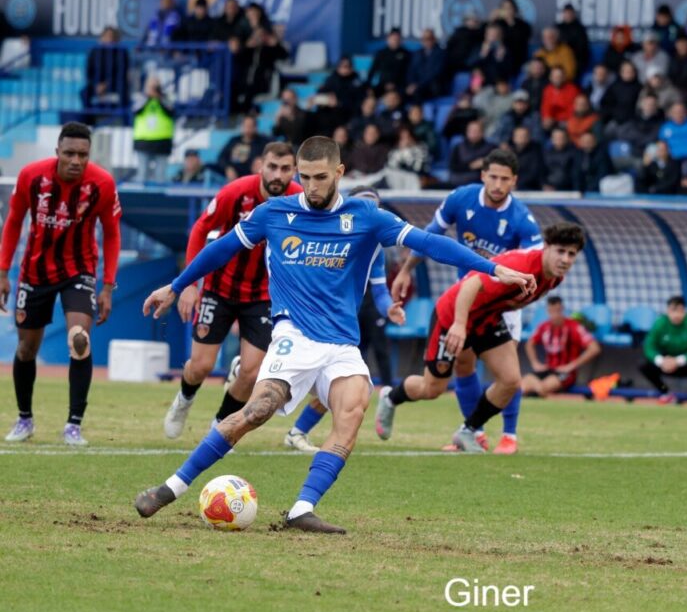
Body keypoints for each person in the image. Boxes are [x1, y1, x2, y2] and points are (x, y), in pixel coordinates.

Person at [133, 136, 535, 533]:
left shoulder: (367, 217)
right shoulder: (274, 213)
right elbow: (221, 249)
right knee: (256, 412)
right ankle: (170, 488)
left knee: (353, 410)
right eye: (304, 177)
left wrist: (493, 269)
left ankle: (301, 509)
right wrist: (176, 285)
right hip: (294, 337)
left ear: (339, 173)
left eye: (320, 177)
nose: (310, 187)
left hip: (342, 345)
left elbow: (429, 242)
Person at [376, 223, 584, 453]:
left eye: (571, 254)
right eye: (560, 251)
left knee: (511, 380)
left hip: (487, 319)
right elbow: (471, 284)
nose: (565, 259)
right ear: (546, 247)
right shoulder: (522, 265)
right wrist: (459, 324)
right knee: (432, 388)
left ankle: (468, 431)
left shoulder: (555, 277)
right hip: (452, 314)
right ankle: (390, 397)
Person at [390, 149, 543, 454]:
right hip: (467, 295)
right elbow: (430, 236)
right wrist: (406, 271)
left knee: (507, 369)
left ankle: (509, 436)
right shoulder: (461, 199)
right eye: (493, 177)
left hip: (502, 301)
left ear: (514, 181)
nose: (498, 184)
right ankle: (474, 432)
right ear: (483, 176)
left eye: (505, 179)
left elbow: (536, 262)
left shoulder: (522, 220)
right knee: (463, 364)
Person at [162, 143, 303, 440]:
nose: (278, 174)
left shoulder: (298, 201)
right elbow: (201, 229)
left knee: (252, 373)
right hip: (219, 289)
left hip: (263, 296)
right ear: (260, 166)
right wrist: (189, 284)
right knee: (200, 366)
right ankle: (184, 400)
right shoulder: (235, 192)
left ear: (294, 171)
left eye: (285, 169)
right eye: (272, 167)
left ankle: (218, 428)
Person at [0, 123, 121, 446]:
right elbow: (13, 222)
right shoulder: (31, 177)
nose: (76, 160)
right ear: (57, 152)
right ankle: (25, 418)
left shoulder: (102, 184)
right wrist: (2, 272)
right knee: (26, 349)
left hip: (78, 272)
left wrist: (108, 285)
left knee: (78, 339)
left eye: (83, 154)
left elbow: (111, 234)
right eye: (69, 153)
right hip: (34, 273)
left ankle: (73, 425)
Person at [283, 186, 406, 453]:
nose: (366, 213)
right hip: (313, 321)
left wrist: (389, 309)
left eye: (373, 207)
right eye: (362, 205)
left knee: (342, 382)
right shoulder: (328, 238)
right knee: (285, 381)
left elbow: (381, 291)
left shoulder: (375, 250)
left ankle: (298, 432)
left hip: (349, 324)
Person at [640, 296, 687, 405]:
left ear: (685, 311)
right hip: (666, 364)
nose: (676, 315)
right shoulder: (660, 323)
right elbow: (649, 346)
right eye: (673, 311)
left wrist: (678, 361)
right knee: (643, 364)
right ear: (667, 311)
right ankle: (665, 393)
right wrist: (661, 360)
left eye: (680, 311)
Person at [522, 296, 600, 397]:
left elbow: (595, 348)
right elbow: (529, 343)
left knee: (545, 387)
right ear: (548, 311)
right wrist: (535, 363)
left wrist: (572, 365)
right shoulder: (544, 327)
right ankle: (542, 392)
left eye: (557, 311)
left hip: (565, 373)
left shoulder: (574, 327)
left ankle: (545, 393)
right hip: (547, 369)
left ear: (562, 309)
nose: (555, 315)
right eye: (552, 311)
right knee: (522, 385)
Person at [132, 75, 174, 184]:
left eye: (156, 84)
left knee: (161, 176)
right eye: (151, 85)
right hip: (143, 141)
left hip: (162, 141)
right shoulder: (141, 97)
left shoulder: (166, 98)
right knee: (142, 174)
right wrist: (148, 96)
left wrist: (159, 97)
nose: (154, 87)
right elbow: (136, 110)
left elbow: (170, 111)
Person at [216, 114, 270, 181]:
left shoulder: (263, 142)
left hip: (250, 173)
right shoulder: (234, 140)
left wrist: (261, 161)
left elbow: (270, 155)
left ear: (255, 127)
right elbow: (221, 157)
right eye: (245, 126)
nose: (247, 129)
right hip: (232, 171)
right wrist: (228, 168)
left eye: (250, 126)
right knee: (208, 167)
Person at [448, 120, 496, 186]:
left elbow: (496, 166)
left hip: (482, 181)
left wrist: (485, 163)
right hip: (460, 180)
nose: (473, 133)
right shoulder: (458, 147)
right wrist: (471, 166)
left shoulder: (491, 147)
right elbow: (453, 167)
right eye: (470, 130)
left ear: (482, 132)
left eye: (476, 131)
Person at [368, 28, 410, 96]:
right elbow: (373, 70)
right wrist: (368, 86)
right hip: (382, 86)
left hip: (400, 87)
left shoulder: (406, 54)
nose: (395, 41)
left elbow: (409, 73)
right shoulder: (381, 54)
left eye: (397, 39)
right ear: (388, 39)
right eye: (393, 39)